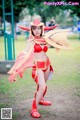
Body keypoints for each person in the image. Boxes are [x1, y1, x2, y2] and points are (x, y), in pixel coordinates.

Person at [8, 19, 72, 118]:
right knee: (42, 87)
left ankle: (41, 99)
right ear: (32, 30)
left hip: (47, 64)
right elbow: (25, 54)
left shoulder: (46, 39)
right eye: (34, 28)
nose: (37, 30)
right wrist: (16, 69)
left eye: (39, 28)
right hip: (37, 67)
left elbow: (55, 44)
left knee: (42, 86)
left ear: (42, 29)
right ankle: (33, 108)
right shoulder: (31, 41)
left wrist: (59, 41)